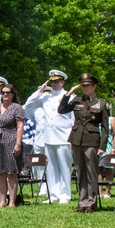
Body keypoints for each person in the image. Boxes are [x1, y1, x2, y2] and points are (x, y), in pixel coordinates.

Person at [58, 73, 109, 213]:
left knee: (91, 171)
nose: (85, 88)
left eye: (88, 85)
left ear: (94, 86)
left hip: (92, 140)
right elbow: (61, 110)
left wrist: (102, 146)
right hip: (76, 139)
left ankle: (91, 202)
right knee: (80, 171)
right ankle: (82, 201)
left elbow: (105, 128)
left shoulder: (101, 103)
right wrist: (68, 94)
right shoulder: (76, 99)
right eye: (83, 86)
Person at [23, 70, 73, 204]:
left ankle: (65, 194)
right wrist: (39, 91)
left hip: (64, 137)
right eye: (52, 82)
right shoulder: (46, 97)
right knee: (50, 168)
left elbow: (73, 119)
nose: (54, 84)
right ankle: (54, 194)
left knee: (64, 167)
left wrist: (72, 138)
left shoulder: (70, 97)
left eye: (56, 82)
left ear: (62, 82)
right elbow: (27, 106)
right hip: (49, 137)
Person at [0, 83, 25, 208]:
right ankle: (2, 201)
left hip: (11, 141)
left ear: (13, 95)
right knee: (0, 172)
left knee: (11, 172)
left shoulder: (17, 108)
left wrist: (18, 144)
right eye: (3, 93)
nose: (5, 95)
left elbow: (20, 126)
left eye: (8, 92)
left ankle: (12, 201)